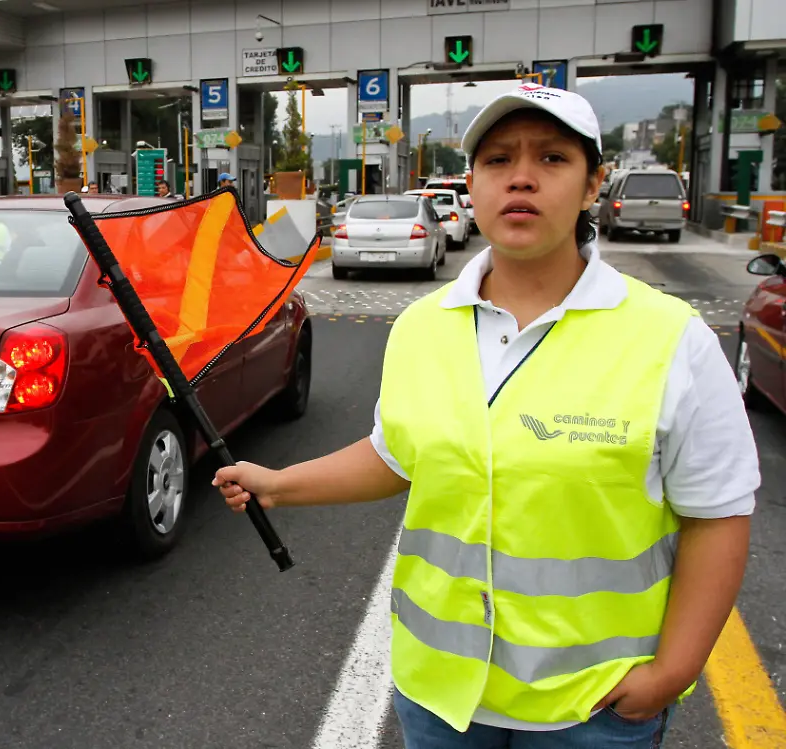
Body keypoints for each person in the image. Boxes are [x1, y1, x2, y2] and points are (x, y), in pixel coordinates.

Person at [213, 83, 759, 747]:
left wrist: (674, 669)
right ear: (471, 184)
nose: (521, 177)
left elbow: (718, 512)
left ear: (593, 186)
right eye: (498, 160)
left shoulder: (671, 339)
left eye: (553, 159)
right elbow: (396, 453)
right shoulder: (421, 327)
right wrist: (278, 482)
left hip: (588, 706)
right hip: (441, 696)